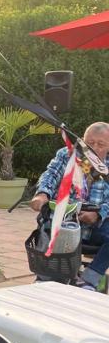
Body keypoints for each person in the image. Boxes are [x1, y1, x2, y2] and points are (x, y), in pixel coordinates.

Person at [30, 122, 109, 291]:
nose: (94, 148)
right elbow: (51, 174)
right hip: (66, 221)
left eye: (101, 144)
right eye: (89, 143)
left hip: (98, 227)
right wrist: (42, 194)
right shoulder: (68, 154)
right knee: (47, 225)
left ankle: (89, 280)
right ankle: (46, 277)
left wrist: (99, 213)